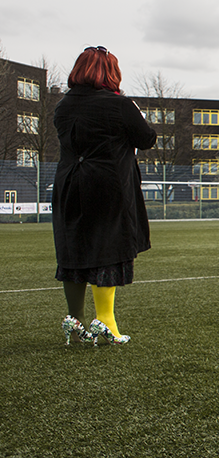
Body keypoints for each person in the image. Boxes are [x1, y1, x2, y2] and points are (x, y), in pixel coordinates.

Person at [53, 46, 156, 346]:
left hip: (69, 184)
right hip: (107, 186)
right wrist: (134, 111)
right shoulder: (119, 105)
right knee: (107, 248)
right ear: (110, 72)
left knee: (73, 246)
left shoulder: (62, 106)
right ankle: (106, 322)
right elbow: (146, 138)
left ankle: (74, 320)